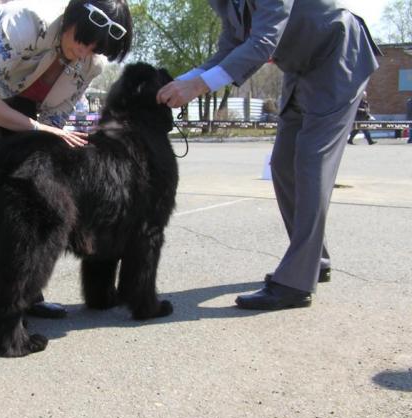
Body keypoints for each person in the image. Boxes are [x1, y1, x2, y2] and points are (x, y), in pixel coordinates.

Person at [157, 0, 381, 310]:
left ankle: (295, 283)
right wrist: (183, 80)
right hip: (300, 66)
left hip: (338, 55)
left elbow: (263, 41)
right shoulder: (225, 3)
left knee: (310, 162)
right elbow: (230, 49)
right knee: (283, 164)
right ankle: (315, 260)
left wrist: (197, 86)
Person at [0, 0, 132, 318]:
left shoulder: (90, 63)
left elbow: (53, 121)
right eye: (83, 41)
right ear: (70, 20)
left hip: (21, 89)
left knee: (32, 187)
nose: (85, 53)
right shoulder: (26, 23)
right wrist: (36, 127)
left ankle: (24, 291)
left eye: (97, 49)